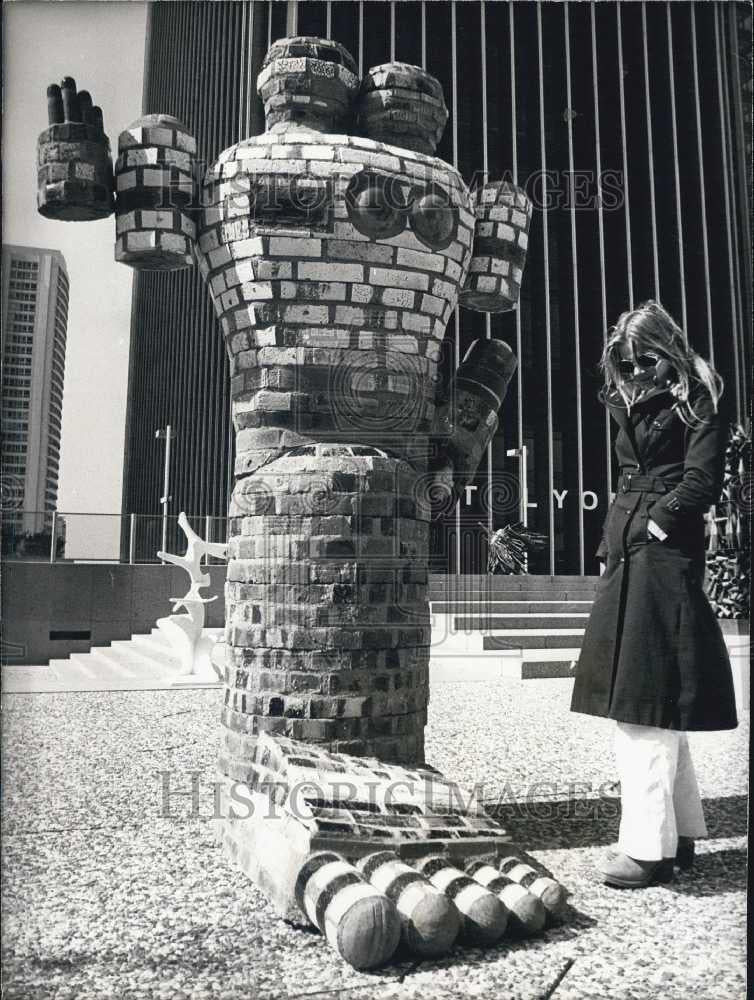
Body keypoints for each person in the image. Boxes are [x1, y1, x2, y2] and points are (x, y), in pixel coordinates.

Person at [570, 300, 738, 889]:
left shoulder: (701, 397)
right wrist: (616, 540)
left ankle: (647, 848)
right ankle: (682, 831)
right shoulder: (633, 396)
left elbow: (702, 480)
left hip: (664, 550)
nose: (634, 370)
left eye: (644, 359)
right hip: (628, 546)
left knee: (642, 700)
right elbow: (627, 472)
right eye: (625, 361)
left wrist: (656, 523)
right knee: (651, 692)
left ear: (666, 349)